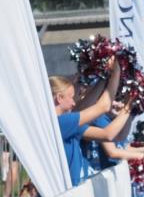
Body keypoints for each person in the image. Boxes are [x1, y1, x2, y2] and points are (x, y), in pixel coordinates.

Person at [50, 57, 121, 186]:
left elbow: (107, 134)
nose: (73, 103)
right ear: (59, 98)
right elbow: (103, 106)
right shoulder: (60, 123)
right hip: (66, 194)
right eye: (71, 98)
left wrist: (103, 75)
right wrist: (116, 72)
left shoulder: (67, 123)